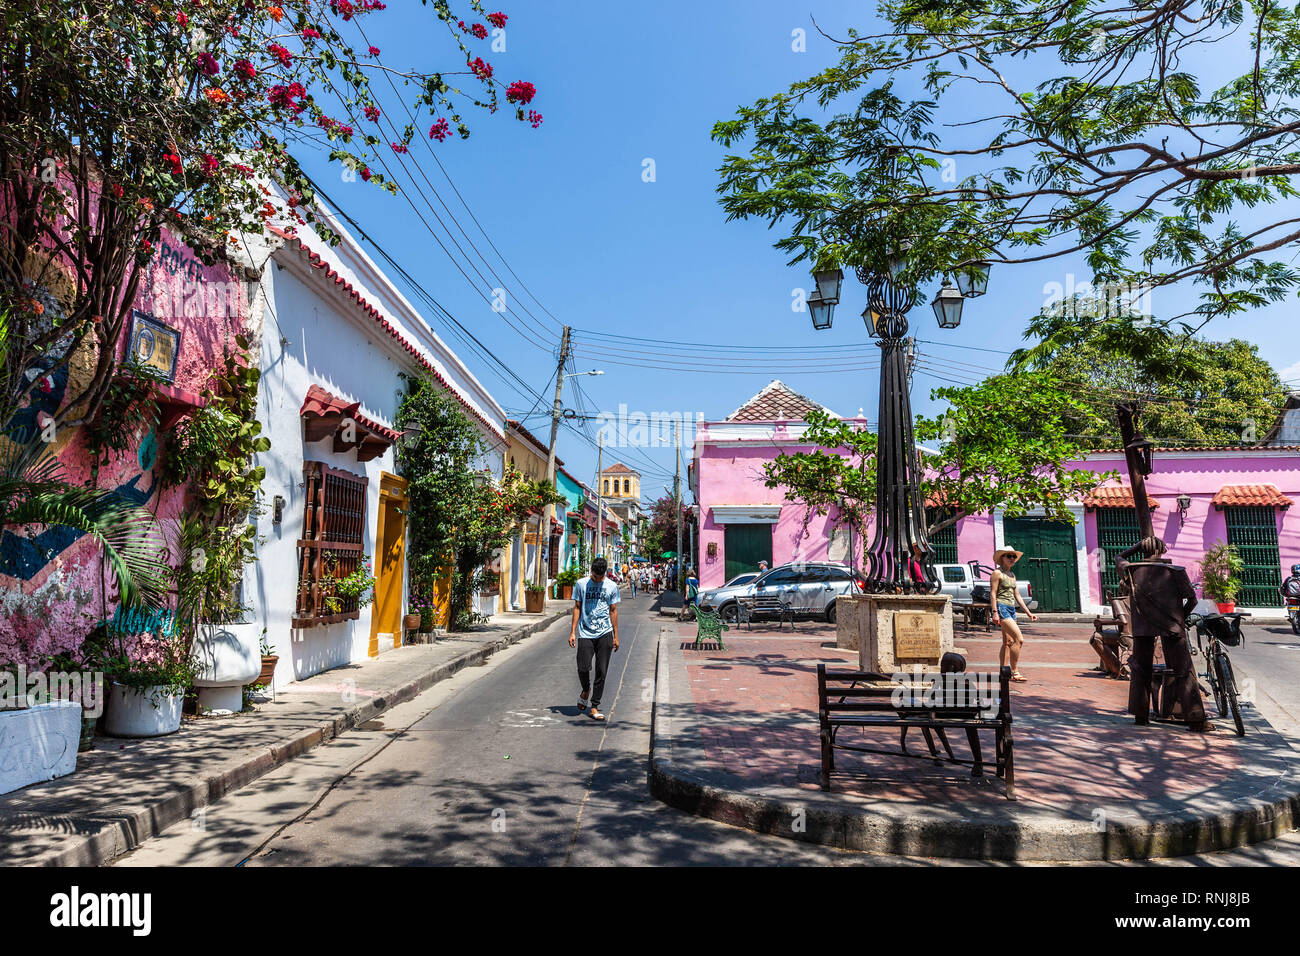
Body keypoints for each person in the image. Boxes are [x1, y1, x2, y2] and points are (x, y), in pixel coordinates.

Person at [1117, 536, 1207, 731]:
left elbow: (1119, 557)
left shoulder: (1132, 571)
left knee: (1141, 669)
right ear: (1162, 551)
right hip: (1172, 625)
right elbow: (1192, 600)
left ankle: (1141, 716)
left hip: (1142, 626)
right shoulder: (1175, 571)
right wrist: (1180, 619)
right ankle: (1196, 719)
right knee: (1183, 670)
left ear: (1144, 550)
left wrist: (1136, 547)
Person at [568, 557, 620, 721]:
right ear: (591, 571)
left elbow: (613, 610)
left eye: (600, 577)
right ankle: (585, 689)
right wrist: (572, 632)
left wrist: (616, 636)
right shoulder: (581, 584)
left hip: (605, 633)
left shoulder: (612, 586)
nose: (597, 580)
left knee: (601, 671)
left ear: (604, 573)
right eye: (595, 576)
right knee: (583, 667)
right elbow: (577, 608)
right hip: (585, 632)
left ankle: (595, 705)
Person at [989, 548, 1037, 682]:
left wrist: (1028, 613)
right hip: (1001, 607)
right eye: (1009, 556)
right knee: (1019, 639)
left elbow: (1017, 596)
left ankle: (1003, 672)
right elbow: (993, 593)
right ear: (1002, 558)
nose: (1012, 558)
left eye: (1013, 557)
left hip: (1011, 609)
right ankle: (1014, 671)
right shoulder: (997, 573)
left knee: (1008, 642)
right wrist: (994, 612)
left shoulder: (1012, 575)